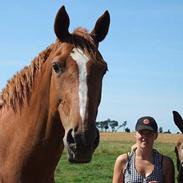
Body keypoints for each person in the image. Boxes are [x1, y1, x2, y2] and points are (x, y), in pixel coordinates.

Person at [112, 116, 175, 183]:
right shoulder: (123, 161)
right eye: (141, 133)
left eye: (149, 133)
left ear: (156, 135)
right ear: (135, 134)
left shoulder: (165, 163)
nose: (145, 137)